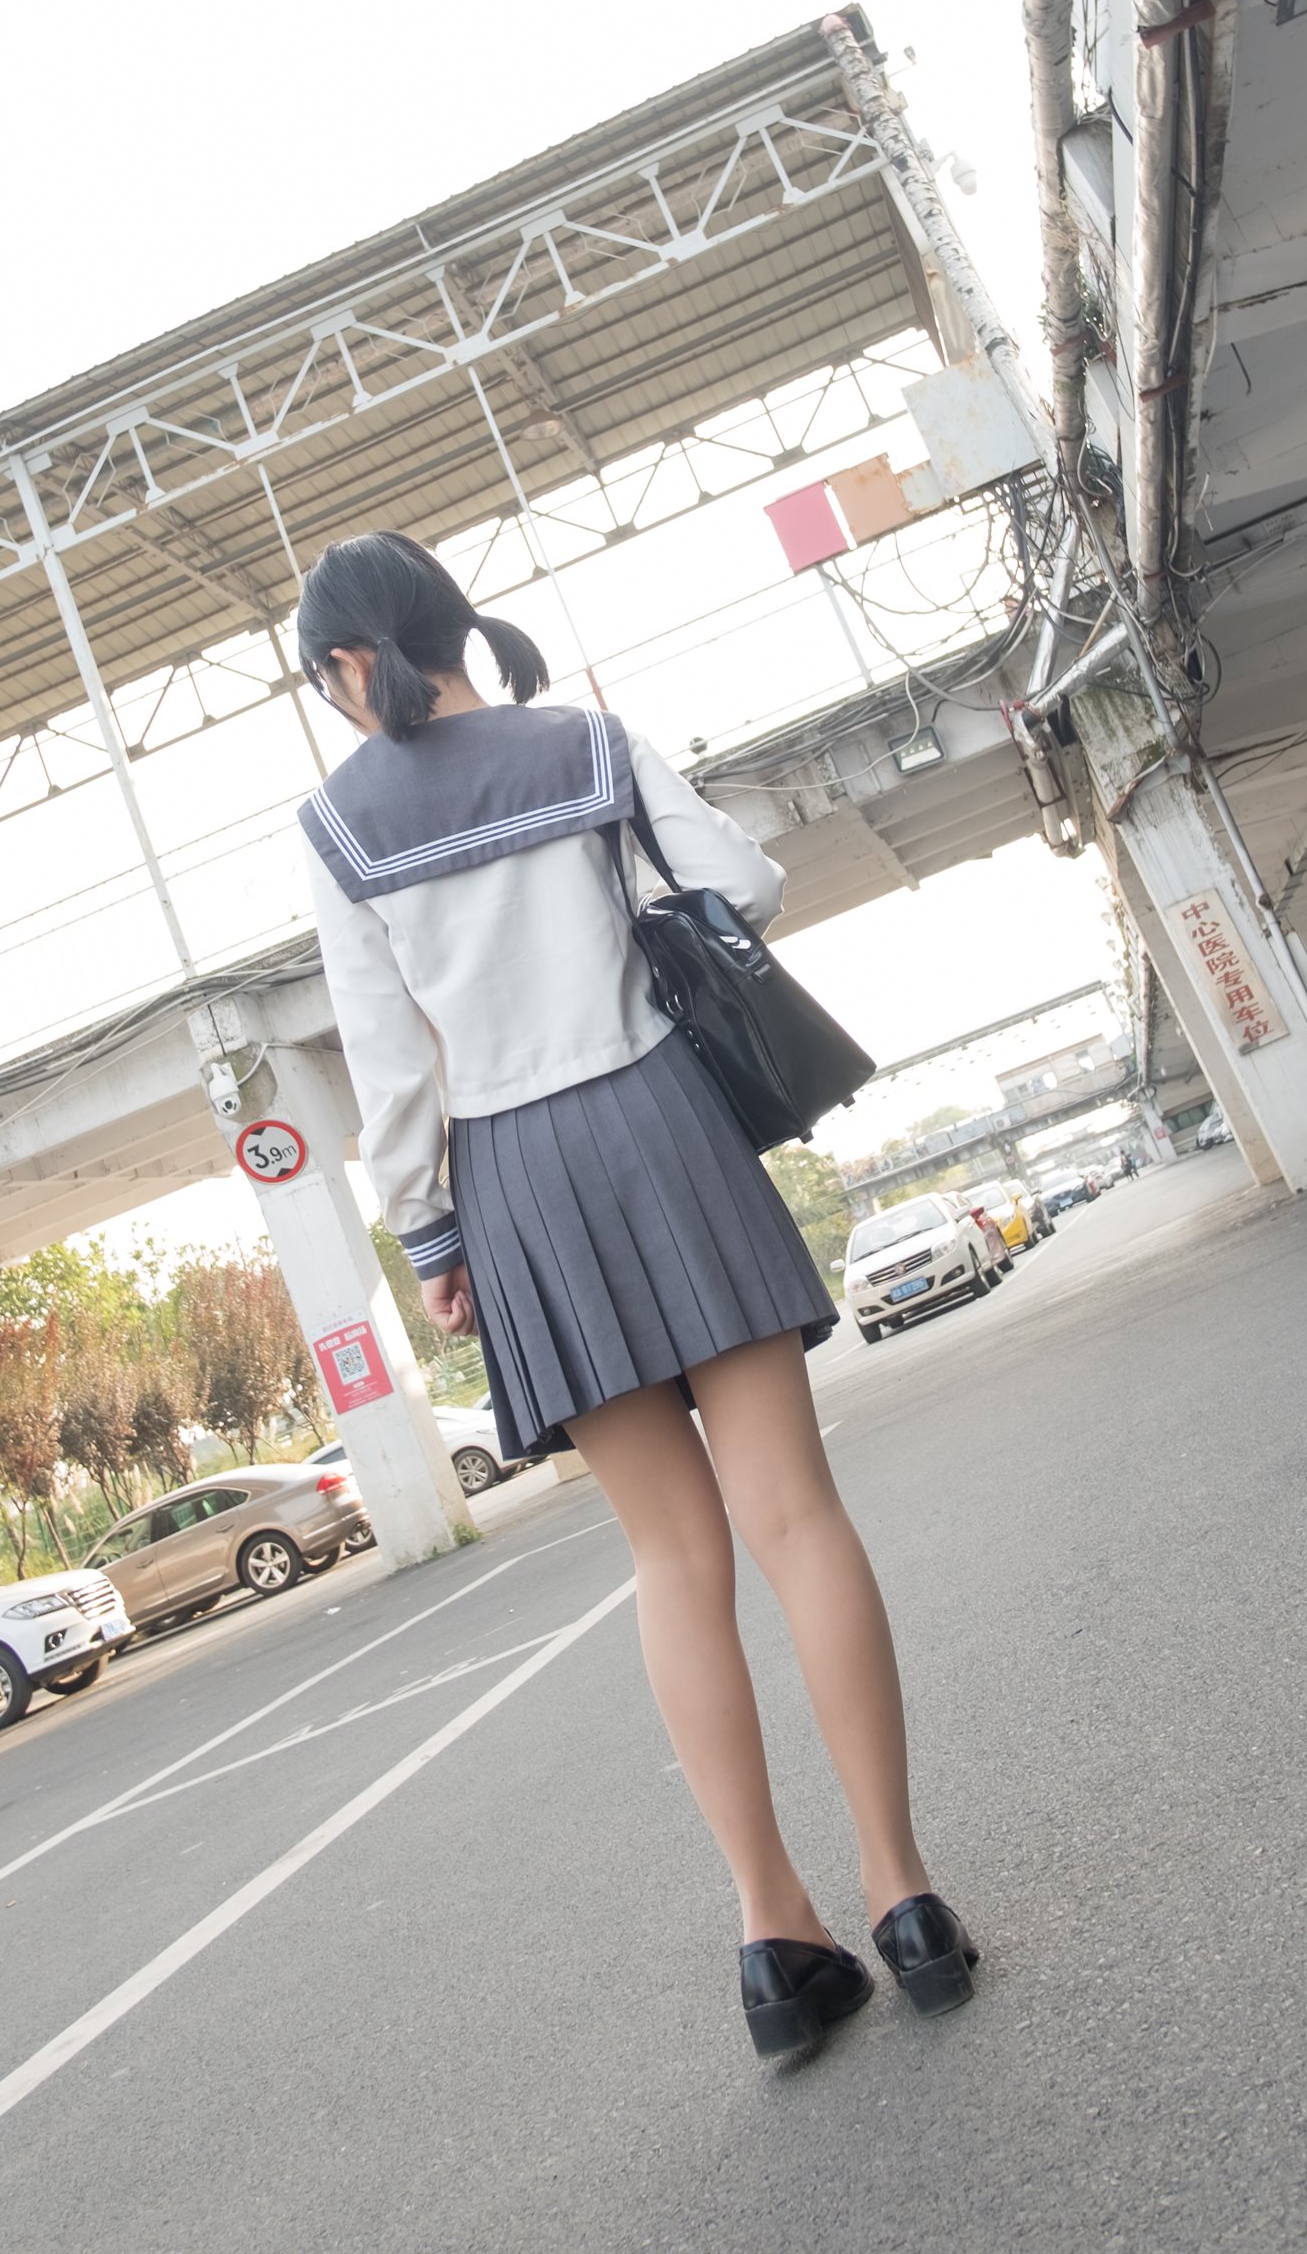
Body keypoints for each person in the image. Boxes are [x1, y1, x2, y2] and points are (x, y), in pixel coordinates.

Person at [296, 529, 978, 2057]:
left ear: (346, 663)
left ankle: (774, 1936)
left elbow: (386, 1059)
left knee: (674, 1560)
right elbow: (743, 879)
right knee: (797, 1517)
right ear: (451, 624)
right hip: (663, 1118)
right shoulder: (585, 744)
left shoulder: (337, 825)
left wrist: (430, 1238)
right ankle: (906, 1898)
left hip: (513, 1175)